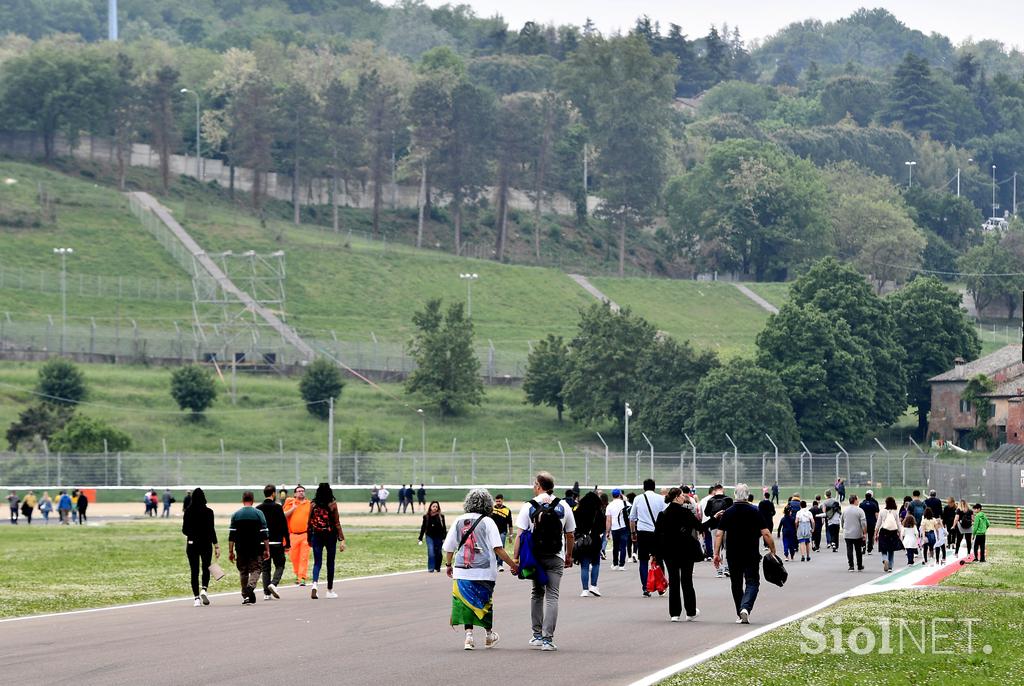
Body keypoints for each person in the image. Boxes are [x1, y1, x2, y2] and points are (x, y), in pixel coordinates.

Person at [443, 488, 519, 650]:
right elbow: (498, 548)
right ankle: (489, 634)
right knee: (484, 602)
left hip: (462, 569)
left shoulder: (459, 520)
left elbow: (449, 547)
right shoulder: (488, 521)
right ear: (488, 504)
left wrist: (448, 565)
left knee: (465, 603)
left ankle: (469, 636)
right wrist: (513, 565)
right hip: (484, 570)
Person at [512, 471, 575, 652]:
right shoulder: (563, 505)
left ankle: (537, 635)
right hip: (556, 555)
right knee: (552, 595)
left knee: (537, 592)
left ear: (539, 485)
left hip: (535, 557)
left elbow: (520, 535)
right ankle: (548, 640)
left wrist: (516, 559)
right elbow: (570, 534)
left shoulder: (529, 506)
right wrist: (569, 555)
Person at [714, 484, 777, 624]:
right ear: (747, 495)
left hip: (733, 553)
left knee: (736, 583)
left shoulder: (728, 512)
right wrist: (773, 550)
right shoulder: (755, 511)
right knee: (752, 581)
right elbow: (766, 532)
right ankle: (746, 607)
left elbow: (719, 534)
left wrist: (716, 553)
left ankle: (740, 612)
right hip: (751, 552)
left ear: (735, 495)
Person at [654, 487, 704, 622]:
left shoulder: (663, 514)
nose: (684, 497)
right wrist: (715, 519)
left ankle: (674, 613)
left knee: (674, 581)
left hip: (669, 552)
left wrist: (655, 554)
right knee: (687, 581)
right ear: (676, 497)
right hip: (686, 551)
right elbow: (700, 527)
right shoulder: (686, 513)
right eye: (682, 495)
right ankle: (691, 612)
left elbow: (657, 535)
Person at [228, 491, 270, 604]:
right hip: (256, 547)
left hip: (240, 548)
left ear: (242, 500)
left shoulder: (236, 515)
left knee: (243, 571)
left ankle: (245, 596)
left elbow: (231, 536)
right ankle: (250, 587)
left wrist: (231, 551)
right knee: (256, 569)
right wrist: (267, 549)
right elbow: (265, 533)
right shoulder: (259, 513)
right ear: (252, 500)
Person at [182, 487, 219, 606]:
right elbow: (211, 530)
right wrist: (216, 545)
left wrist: (193, 534)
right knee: (206, 567)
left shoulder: (188, 511)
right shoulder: (209, 512)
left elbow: (184, 530)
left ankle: (196, 598)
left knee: (194, 571)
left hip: (192, 544)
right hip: (206, 543)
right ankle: (204, 589)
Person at [308, 482, 345, 599]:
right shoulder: (332, 504)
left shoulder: (313, 504)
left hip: (317, 535)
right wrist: (342, 539)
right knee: (330, 562)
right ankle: (329, 590)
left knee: (317, 562)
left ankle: (314, 584)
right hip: (330, 535)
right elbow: (337, 522)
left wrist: (309, 537)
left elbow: (309, 522)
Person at [630, 478, 667, 596]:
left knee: (643, 560)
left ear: (643, 487)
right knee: (659, 559)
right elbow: (665, 516)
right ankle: (661, 586)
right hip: (658, 533)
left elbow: (632, 518)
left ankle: (646, 587)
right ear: (654, 487)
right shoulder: (661, 499)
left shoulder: (638, 499)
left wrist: (633, 533)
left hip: (643, 532)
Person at [257, 484, 290, 600]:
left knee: (266, 568)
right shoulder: (277, 507)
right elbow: (284, 526)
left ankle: (266, 593)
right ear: (273, 494)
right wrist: (288, 542)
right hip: (276, 542)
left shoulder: (258, 508)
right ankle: (273, 583)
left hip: (262, 543)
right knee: (280, 565)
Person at [574, 491, 605, 597]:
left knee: (584, 566)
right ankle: (594, 586)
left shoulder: (578, 510)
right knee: (596, 563)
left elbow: (575, 527)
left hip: (583, 540)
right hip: (595, 539)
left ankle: (585, 590)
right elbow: (602, 528)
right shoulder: (598, 512)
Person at [283, 484, 312, 585]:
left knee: (304, 557)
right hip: (293, 535)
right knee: (294, 557)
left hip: (305, 534)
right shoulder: (290, 503)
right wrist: (293, 508)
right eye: (299, 491)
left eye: (302, 491)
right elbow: (283, 515)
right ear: (295, 493)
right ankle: (297, 574)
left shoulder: (309, 504)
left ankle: (302, 577)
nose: (301, 492)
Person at [703, 484, 733, 577]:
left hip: (714, 526)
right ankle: (727, 568)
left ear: (715, 491)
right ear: (722, 490)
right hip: (727, 526)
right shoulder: (729, 500)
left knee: (716, 548)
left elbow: (706, 513)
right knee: (727, 547)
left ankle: (718, 570)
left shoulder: (710, 500)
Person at [875, 497, 903, 573]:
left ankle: (885, 559)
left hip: (884, 531)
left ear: (886, 503)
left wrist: (876, 533)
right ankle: (890, 566)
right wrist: (900, 533)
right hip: (893, 532)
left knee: (883, 549)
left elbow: (878, 523)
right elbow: (898, 523)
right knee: (891, 550)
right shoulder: (895, 512)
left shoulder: (882, 511)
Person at [419, 501, 447, 572]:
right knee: (431, 551)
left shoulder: (441, 516)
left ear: (438, 508)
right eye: (433, 506)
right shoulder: (426, 516)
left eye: (436, 507)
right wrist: (420, 538)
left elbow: (444, 528)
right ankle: (431, 568)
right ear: (430, 507)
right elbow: (423, 527)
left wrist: (444, 538)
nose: (435, 508)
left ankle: (437, 566)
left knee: (438, 553)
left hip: (439, 537)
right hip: (429, 536)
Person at [841, 495, 867, 572]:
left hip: (847, 533)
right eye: (858, 499)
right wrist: (864, 533)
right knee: (858, 550)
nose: (858, 501)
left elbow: (842, 521)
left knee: (849, 550)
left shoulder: (845, 510)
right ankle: (859, 565)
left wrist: (844, 529)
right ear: (855, 500)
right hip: (857, 534)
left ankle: (851, 566)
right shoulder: (860, 510)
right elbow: (863, 523)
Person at [605, 489, 629, 570]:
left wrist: (607, 531)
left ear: (612, 495)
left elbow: (608, 520)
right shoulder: (625, 503)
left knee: (615, 546)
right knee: (623, 546)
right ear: (620, 495)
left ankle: (615, 563)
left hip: (614, 528)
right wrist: (625, 499)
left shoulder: (610, 505)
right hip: (624, 527)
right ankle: (622, 565)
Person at [490, 494, 514, 570]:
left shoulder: (507, 510)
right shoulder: (491, 509)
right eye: (496, 501)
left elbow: (510, 523)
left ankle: (500, 564)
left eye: (499, 501)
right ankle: (494, 563)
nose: (498, 502)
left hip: (502, 532)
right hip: (493, 532)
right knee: (493, 547)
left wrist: (511, 535)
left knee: (500, 547)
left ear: (502, 500)